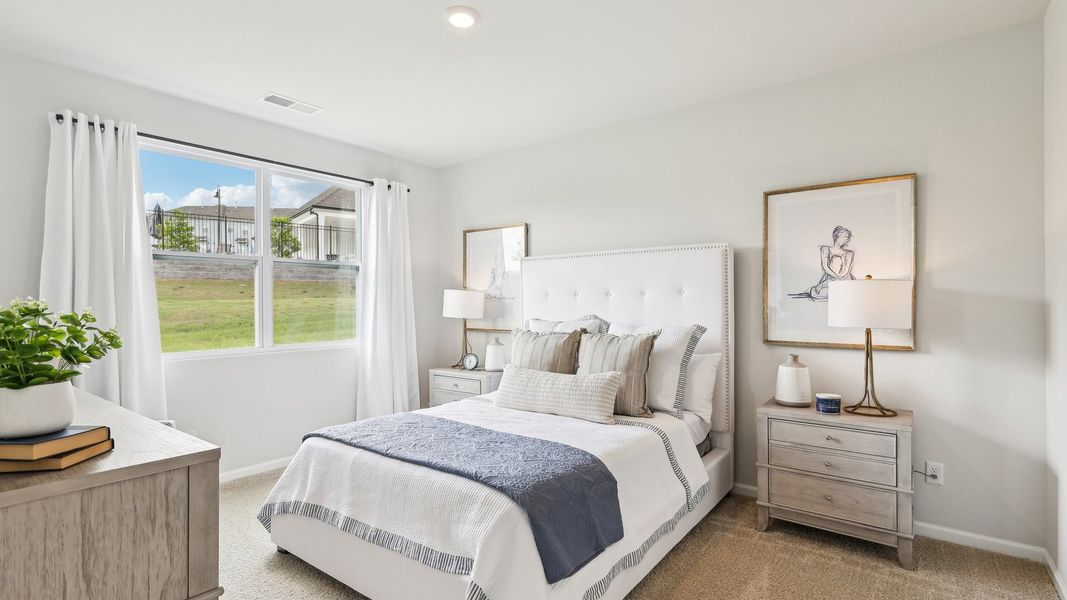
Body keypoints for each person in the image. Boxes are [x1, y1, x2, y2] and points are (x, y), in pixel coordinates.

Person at [790, 225, 855, 301]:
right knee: (818, 294)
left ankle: (825, 288)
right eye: (844, 236)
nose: (846, 239)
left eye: (847, 237)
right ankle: (819, 288)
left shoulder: (849, 253)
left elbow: (846, 271)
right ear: (837, 236)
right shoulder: (825, 249)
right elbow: (825, 267)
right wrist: (834, 280)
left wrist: (838, 280)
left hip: (844, 279)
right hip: (830, 278)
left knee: (842, 293)